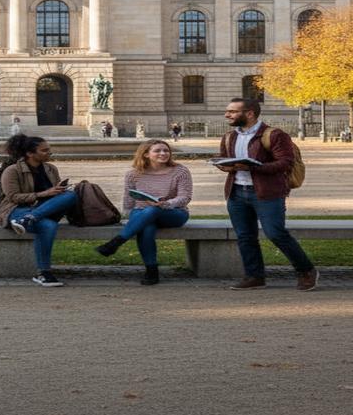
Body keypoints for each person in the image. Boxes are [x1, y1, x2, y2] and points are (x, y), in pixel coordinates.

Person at [217, 98, 318, 291]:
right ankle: (254, 276)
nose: (227, 115)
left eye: (232, 111)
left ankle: (306, 270)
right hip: (236, 192)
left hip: (267, 192)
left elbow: (285, 163)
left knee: (275, 233)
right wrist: (224, 165)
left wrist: (253, 167)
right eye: (227, 111)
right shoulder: (229, 136)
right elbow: (225, 159)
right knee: (245, 236)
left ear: (249, 114)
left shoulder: (274, 135)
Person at [94, 139, 192, 285]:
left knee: (153, 209)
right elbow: (128, 201)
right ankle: (151, 271)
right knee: (146, 227)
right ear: (146, 154)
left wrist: (167, 203)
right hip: (141, 213)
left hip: (174, 213)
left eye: (166, 150)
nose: (163, 153)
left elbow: (185, 197)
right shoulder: (133, 174)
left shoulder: (180, 171)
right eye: (157, 151)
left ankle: (117, 242)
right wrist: (129, 218)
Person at [0, 134, 78, 287]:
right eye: (44, 150)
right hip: (16, 210)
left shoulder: (51, 169)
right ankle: (44, 273)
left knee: (71, 195)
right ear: (30, 153)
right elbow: (13, 197)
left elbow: (55, 194)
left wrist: (59, 190)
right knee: (48, 226)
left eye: (49, 149)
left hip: (41, 210)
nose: (49, 153)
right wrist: (43, 194)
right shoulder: (12, 170)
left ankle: (29, 218)